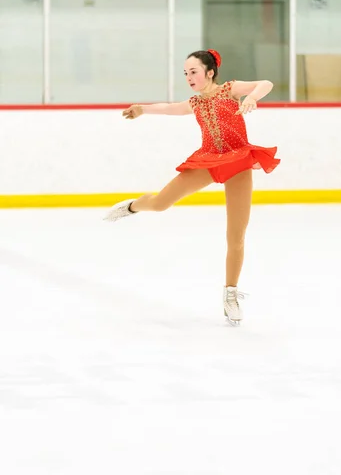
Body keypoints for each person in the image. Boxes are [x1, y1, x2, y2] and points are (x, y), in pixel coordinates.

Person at [104, 49, 280, 325]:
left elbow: (265, 84)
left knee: (236, 235)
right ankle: (133, 206)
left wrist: (252, 98)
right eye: (185, 73)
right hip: (208, 160)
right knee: (161, 203)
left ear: (210, 72)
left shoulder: (230, 90)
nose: (189, 77)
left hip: (238, 161)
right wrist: (143, 109)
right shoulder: (195, 103)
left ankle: (230, 295)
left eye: (193, 71)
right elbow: (168, 107)